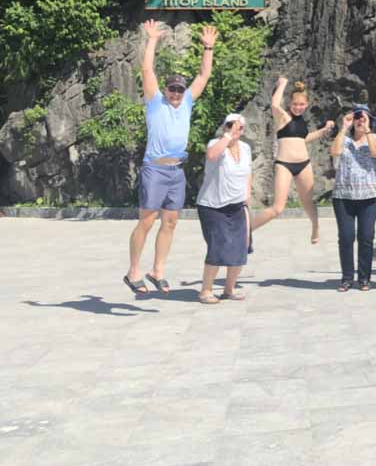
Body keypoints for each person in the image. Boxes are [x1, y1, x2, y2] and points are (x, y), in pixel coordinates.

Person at [123, 20, 217, 296]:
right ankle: (133, 271)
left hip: (176, 171)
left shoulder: (187, 102)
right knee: (148, 219)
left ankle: (158, 270)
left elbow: (203, 76)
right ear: (165, 90)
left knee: (171, 221)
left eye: (179, 90)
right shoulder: (155, 103)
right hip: (154, 169)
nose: (176, 93)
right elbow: (146, 69)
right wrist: (152, 39)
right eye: (172, 89)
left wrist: (208, 47)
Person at [253, 77, 335, 243]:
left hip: (304, 164)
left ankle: (315, 226)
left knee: (308, 202)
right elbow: (275, 105)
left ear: (306, 105)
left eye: (301, 105)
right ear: (290, 104)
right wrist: (282, 85)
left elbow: (303, 138)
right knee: (278, 207)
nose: (298, 108)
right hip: (284, 164)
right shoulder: (283, 117)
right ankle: (247, 229)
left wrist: (324, 130)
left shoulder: (302, 122)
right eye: (295, 105)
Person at [195, 113, 252, 304]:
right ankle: (206, 291)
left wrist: (247, 194)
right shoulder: (215, 144)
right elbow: (212, 155)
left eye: (239, 127)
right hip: (212, 206)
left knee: (239, 248)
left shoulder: (245, 148)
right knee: (218, 247)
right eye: (230, 125)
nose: (236, 130)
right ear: (224, 127)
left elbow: (248, 172)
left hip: (236, 205)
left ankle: (229, 289)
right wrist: (228, 136)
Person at [329, 103, 376, 292]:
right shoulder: (343, 139)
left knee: (366, 237)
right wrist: (344, 127)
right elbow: (334, 151)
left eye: (364, 117)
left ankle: (364, 278)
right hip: (343, 196)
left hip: (369, 196)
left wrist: (367, 130)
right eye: (357, 117)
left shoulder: (375, 138)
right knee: (346, 237)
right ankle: (346, 278)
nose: (360, 120)